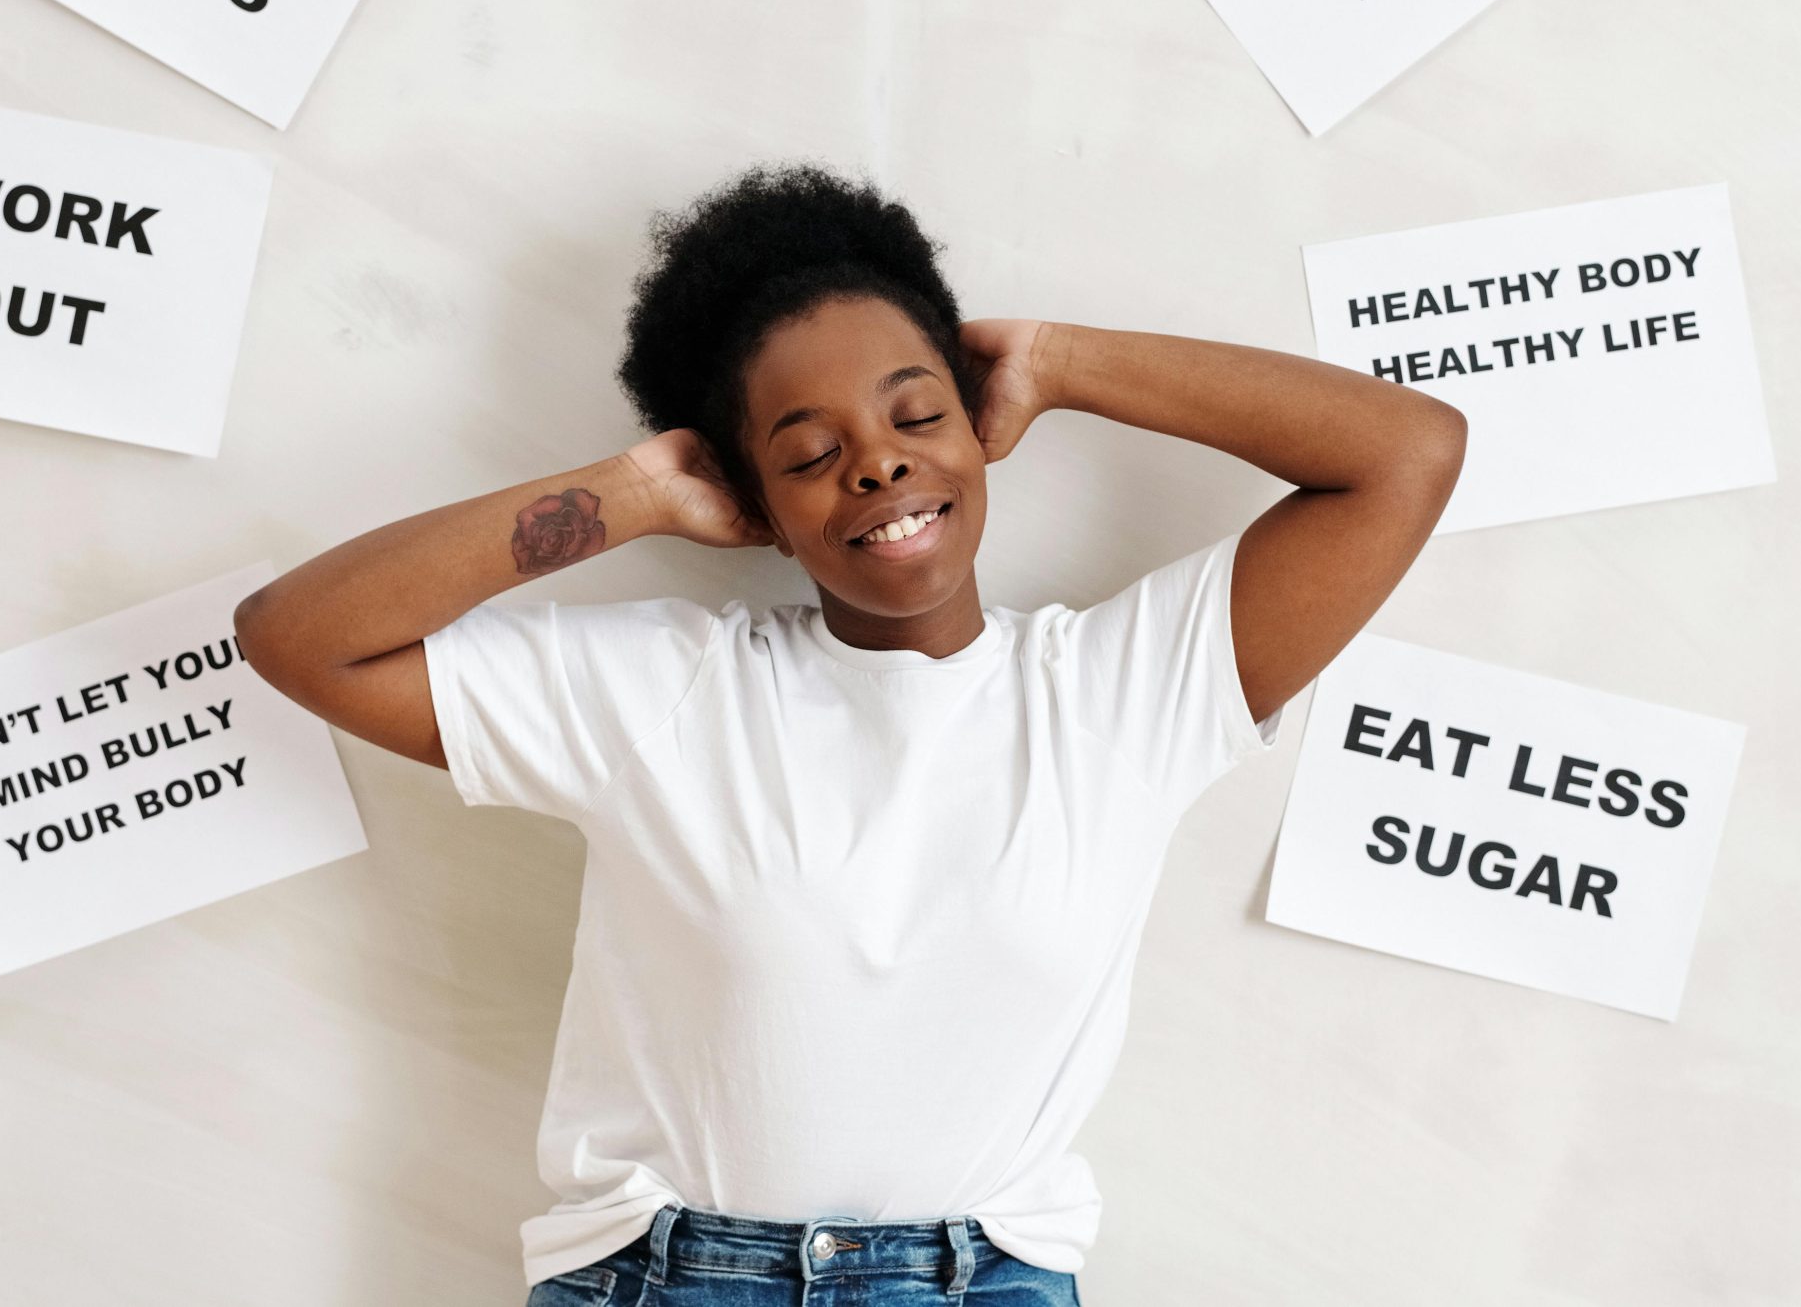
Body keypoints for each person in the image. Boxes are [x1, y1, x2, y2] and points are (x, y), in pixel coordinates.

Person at [233, 162, 1465, 1305]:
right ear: (755, 505)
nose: (876, 465)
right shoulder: (664, 689)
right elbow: (300, 635)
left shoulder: (1121, 691)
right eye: (811, 453)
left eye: (916, 415)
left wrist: (1059, 360)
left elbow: (1406, 452)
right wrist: (637, 494)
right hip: (669, 1278)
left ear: (977, 426)